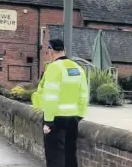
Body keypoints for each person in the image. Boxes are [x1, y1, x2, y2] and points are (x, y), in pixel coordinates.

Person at [31, 39, 89, 167]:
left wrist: (48, 121)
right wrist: (79, 115)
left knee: (55, 156)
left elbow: (51, 97)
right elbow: (84, 95)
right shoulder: (78, 68)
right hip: (73, 119)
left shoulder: (54, 68)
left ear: (51, 51)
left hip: (55, 120)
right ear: (64, 50)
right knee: (70, 155)